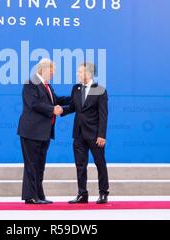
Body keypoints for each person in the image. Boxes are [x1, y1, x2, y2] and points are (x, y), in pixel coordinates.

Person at [17, 58, 69, 204]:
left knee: (40, 165)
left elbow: (56, 100)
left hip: (44, 132)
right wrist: (53, 109)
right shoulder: (31, 83)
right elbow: (34, 104)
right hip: (31, 131)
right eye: (51, 71)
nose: (53, 74)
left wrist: (75, 99)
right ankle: (30, 196)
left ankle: (39, 195)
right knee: (32, 164)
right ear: (42, 69)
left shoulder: (47, 85)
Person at [62, 62, 109, 204]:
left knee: (99, 163)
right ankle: (82, 194)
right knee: (80, 164)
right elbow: (72, 107)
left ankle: (103, 193)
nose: (78, 74)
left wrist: (102, 135)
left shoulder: (99, 90)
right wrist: (60, 111)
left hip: (95, 134)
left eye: (80, 72)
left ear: (88, 73)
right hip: (78, 133)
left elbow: (103, 115)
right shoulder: (76, 88)